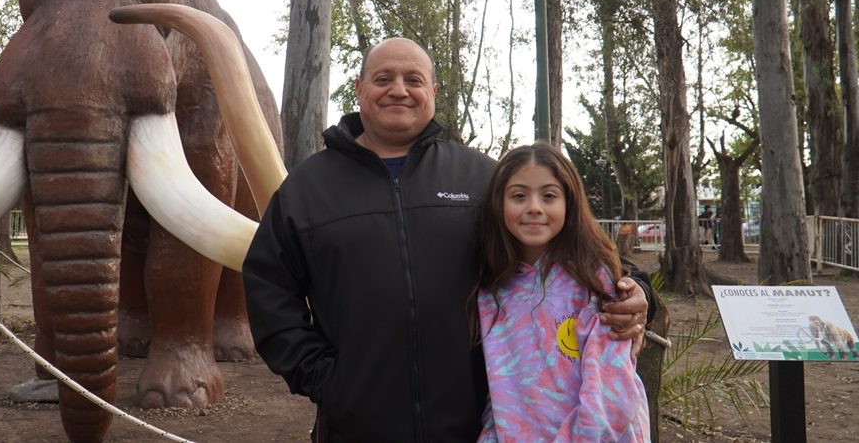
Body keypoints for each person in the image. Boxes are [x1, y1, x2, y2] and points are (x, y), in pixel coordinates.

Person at [242, 37, 652, 442]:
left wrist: (637, 290)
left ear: (433, 92)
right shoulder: (308, 188)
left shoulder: (481, 178)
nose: (399, 89)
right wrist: (325, 378)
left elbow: (568, 243)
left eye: (413, 79)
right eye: (383, 78)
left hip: (475, 426)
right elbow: (268, 287)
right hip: (356, 427)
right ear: (360, 89)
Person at [476, 142, 651, 441]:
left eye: (549, 195)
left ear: (569, 202)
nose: (534, 206)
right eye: (519, 195)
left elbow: (612, 397)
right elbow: (500, 398)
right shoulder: (490, 292)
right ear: (498, 203)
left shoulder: (596, 281)